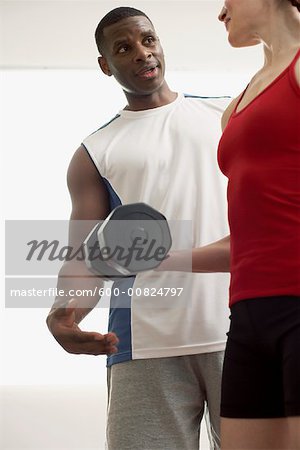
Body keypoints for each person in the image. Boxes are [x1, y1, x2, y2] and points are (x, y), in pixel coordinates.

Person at [46, 6, 231, 450]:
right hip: (141, 344)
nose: (143, 54)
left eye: (149, 40)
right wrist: (63, 313)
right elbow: (84, 255)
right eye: (124, 48)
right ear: (105, 65)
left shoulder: (226, 116)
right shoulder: (95, 151)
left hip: (238, 329)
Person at [170, 0, 299, 448]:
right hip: (248, 317)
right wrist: (164, 259)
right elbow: (251, 240)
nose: (220, 13)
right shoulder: (236, 107)